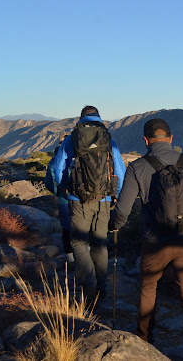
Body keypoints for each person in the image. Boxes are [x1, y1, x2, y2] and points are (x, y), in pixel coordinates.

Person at [110, 118, 183, 361]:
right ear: (171, 138)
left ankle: (144, 340)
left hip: (155, 241)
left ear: (145, 141)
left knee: (148, 287)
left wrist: (114, 225)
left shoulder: (137, 167)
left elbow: (123, 211)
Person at [53, 106, 126, 304]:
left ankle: (89, 284)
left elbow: (58, 169)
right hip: (104, 199)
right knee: (100, 244)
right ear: (99, 117)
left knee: (78, 243)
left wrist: (64, 189)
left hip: (78, 199)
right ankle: (101, 288)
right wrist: (116, 195)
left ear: (81, 117)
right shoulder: (109, 139)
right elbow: (120, 169)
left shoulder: (71, 138)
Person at [44, 133, 74, 263]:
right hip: (80, 198)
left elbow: (49, 182)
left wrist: (58, 192)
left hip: (64, 199)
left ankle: (70, 256)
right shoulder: (79, 157)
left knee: (67, 227)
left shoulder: (55, 159)